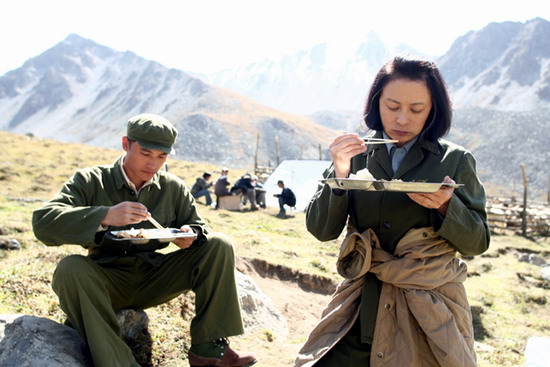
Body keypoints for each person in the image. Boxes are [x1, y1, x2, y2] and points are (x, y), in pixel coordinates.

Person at [295, 56, 490, 367]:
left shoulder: (455, 160)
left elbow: (477, 242)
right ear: (376, 103)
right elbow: (321, 230)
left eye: (416, 109)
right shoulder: (356, 156)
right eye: (392, 106)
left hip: (429, 313)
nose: (402, 119)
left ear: (433, 109)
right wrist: (340, 175)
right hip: (360, 306)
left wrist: (444, 206)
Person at [32, 113, 256, 367]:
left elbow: (200, 226)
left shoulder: (173, 187)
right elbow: (43, 222)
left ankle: (208, 349)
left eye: (162, 157)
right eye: (146, 153)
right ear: (126, 144)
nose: (153, 164)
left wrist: (190, 234)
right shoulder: (91, 180)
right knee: (69, 268)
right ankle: (118, 362)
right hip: (105, 280)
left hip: (155, 277)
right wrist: (105, 215)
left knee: (219, 244)